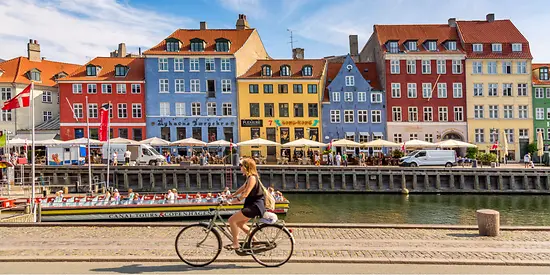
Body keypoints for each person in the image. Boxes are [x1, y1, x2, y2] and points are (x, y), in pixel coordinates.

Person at [225, 158, 265, 250]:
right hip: (253, 205)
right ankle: (255, 241)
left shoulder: (252, 178)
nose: (240, 168)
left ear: (246, 167)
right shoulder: (250, 177)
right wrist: (232, 195)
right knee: (240, 223)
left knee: (231, 220)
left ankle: (235, 243)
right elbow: (243, 188)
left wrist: (232, 202)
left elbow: (245, 193)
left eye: (241, 166)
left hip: (255, 206)